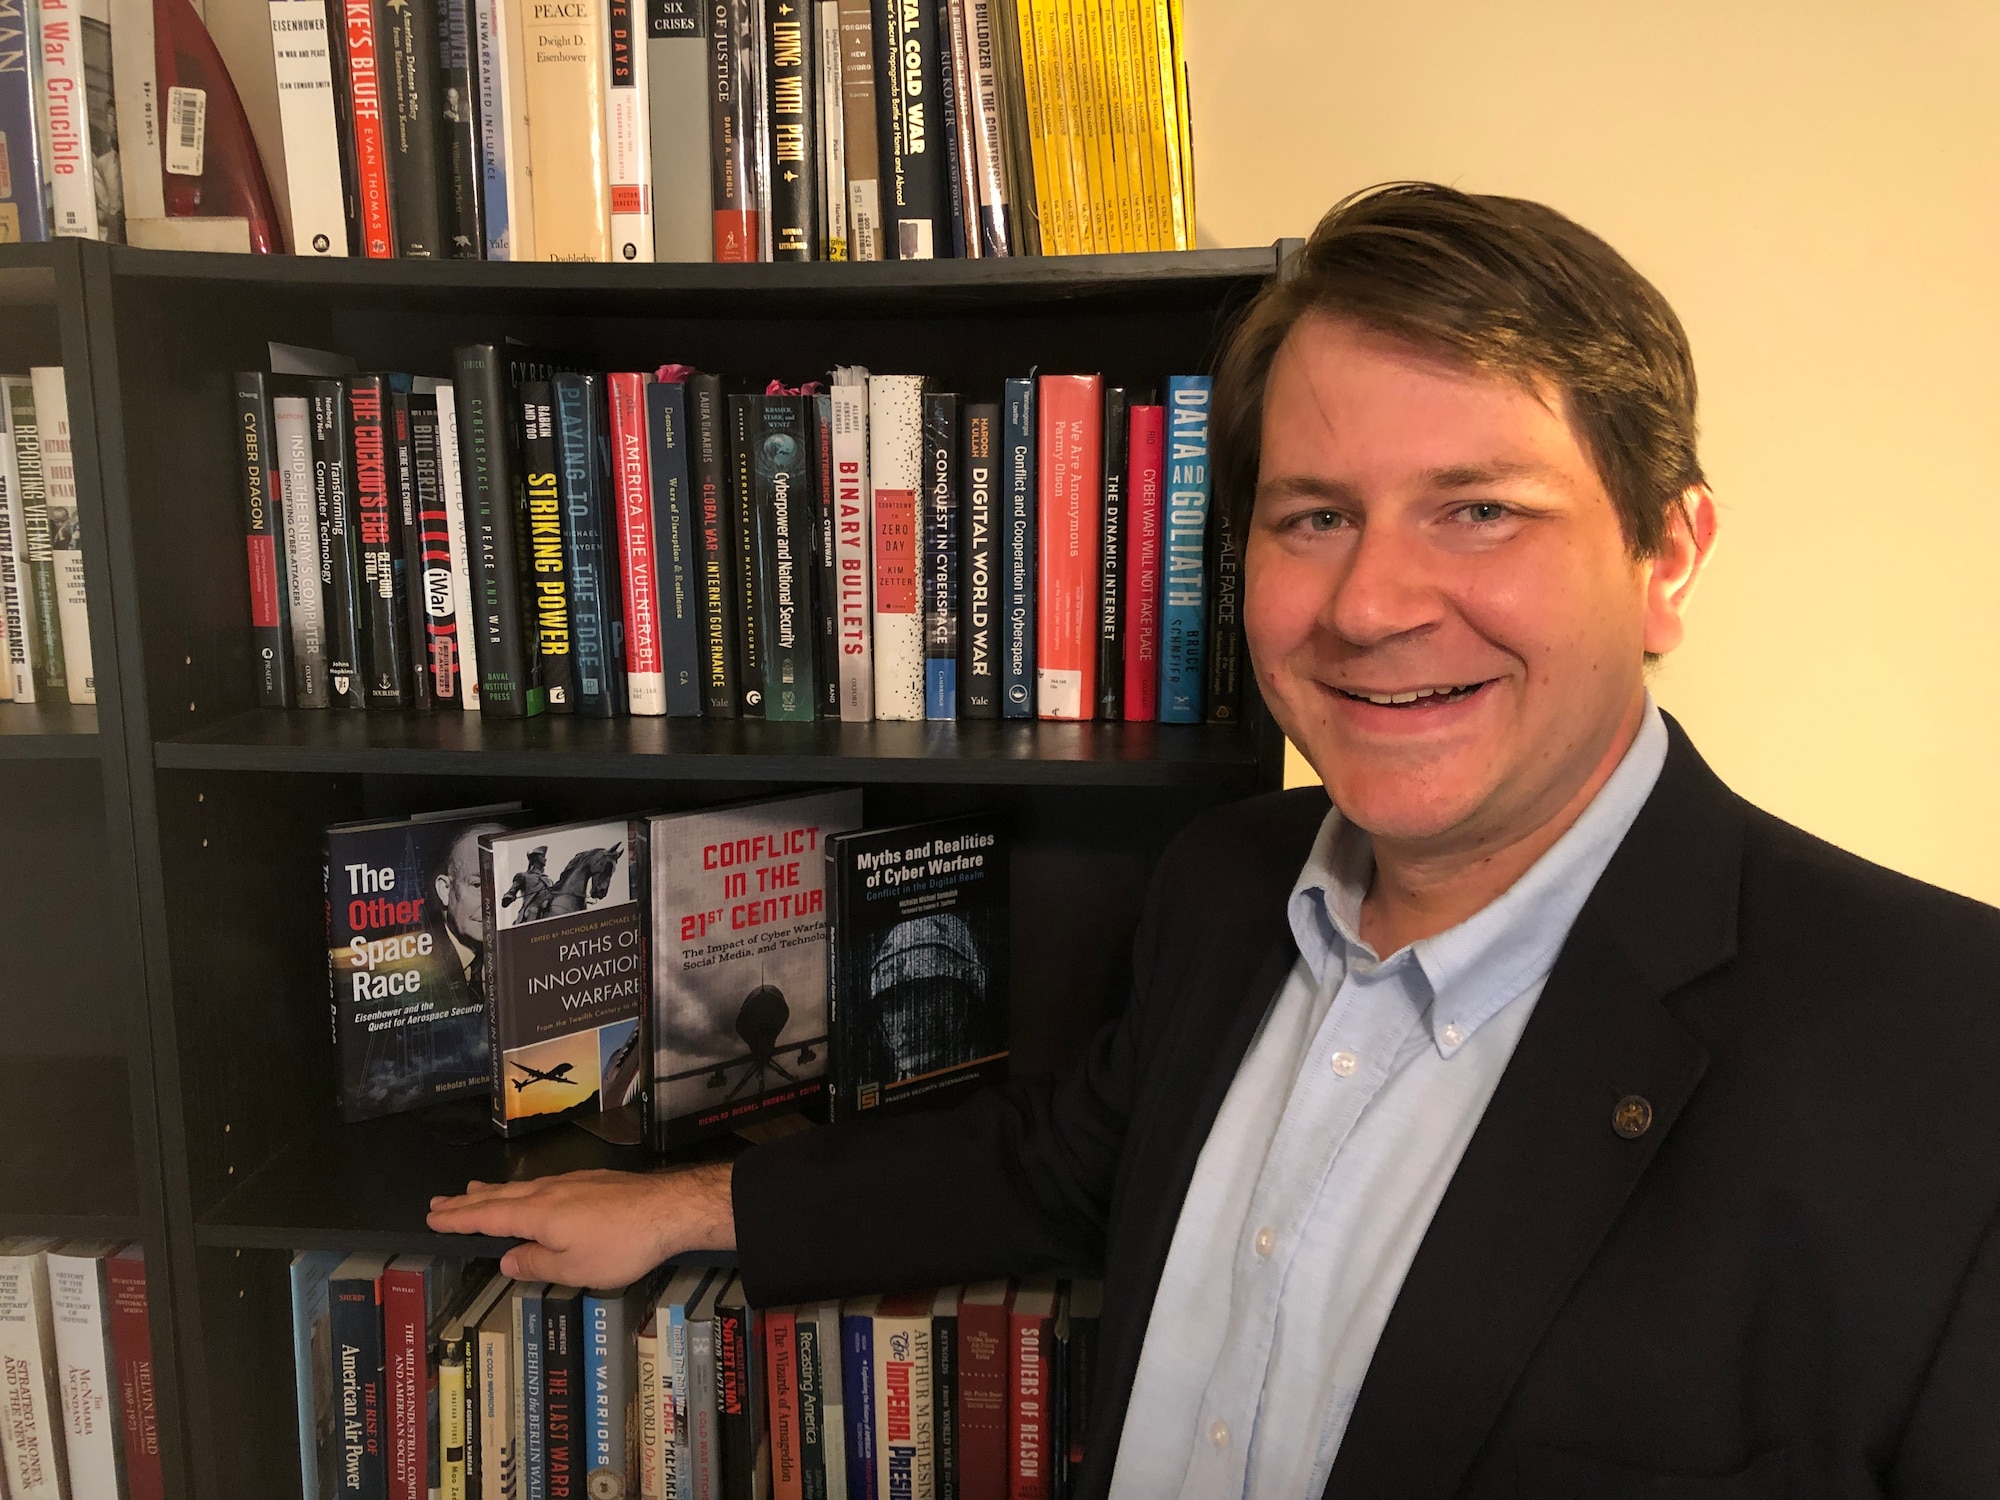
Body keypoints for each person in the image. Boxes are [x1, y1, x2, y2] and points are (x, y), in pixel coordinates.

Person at [429, 184, 2000, 1496]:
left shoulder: (1949, 1053)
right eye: (1314, 515)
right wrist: (687, 1211)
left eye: (1481, 510)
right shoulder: (1231, 881)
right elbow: (1062, 1167)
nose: (1371, 605)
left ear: (1670, 551)